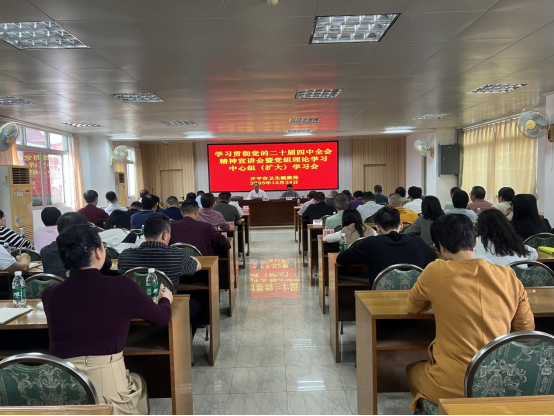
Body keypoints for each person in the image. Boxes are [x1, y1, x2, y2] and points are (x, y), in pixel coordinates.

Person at [406, 214, 535, 411]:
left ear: (441, 248)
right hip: (503, 382)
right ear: (475, 242)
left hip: (454, 386)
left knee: (411, 370)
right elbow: (526, 330)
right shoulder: (508, 274)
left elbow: (412, 307)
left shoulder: (435, 271)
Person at [42, 224, 173, 415]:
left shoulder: (49, 293)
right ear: (98, 252)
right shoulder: (122, 286)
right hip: (106, 389)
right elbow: (161, 318)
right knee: (139, 383)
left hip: (60, 388)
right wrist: (165, 299)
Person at [337, 207, 437, 286]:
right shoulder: (417, 241)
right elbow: (434, 258)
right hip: (414, 298)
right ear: (401, 226)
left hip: (380, 297)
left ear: (378, 228)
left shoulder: (369, 243)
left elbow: (341, 259)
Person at [118, 214, 201, 289]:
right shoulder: (177, 256)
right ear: (165, 235)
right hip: (166, 300)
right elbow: (198, 266)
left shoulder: (125, 256)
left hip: (133, 301)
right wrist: (191, 257)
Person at [41, 213, 112, 278]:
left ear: (58, 228)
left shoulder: (45, 251)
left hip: (56, 288)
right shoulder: (87, 248)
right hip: (85, 286)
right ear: (84, 229)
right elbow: (107, 264)